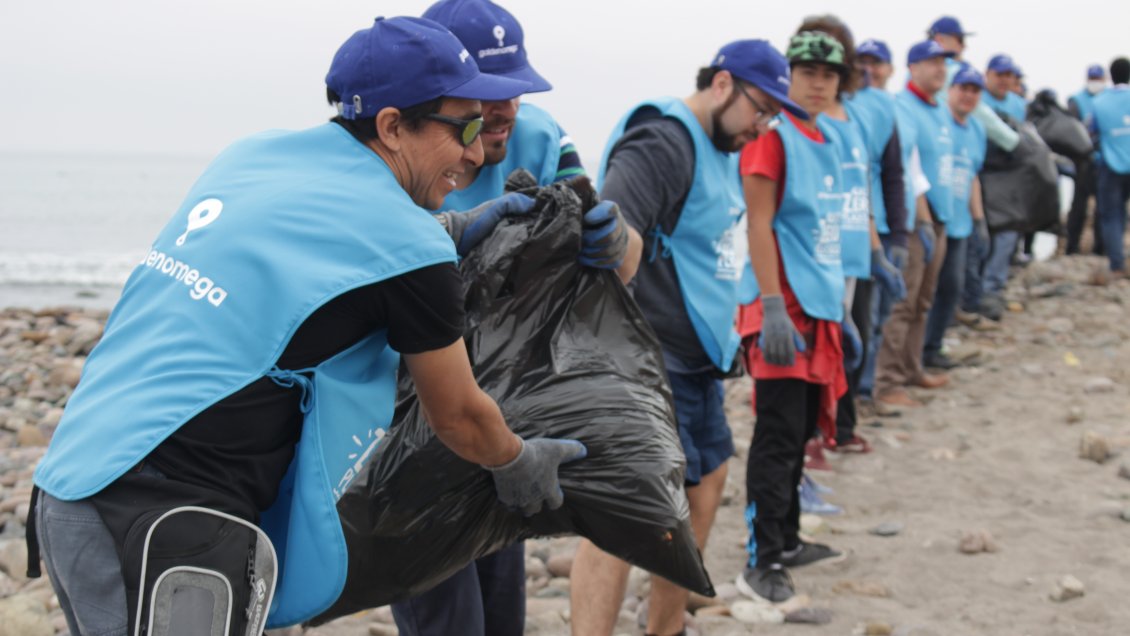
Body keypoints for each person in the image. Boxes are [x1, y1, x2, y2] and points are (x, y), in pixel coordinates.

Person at [28, 17, 588, 635]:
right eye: (467, 128)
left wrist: (451, 229)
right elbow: (456, 415)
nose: (477, 154)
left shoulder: (252, 156)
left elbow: (307, 242)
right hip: (164, 521)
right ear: (392, 125)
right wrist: (517, 460)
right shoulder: (406, 247)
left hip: (73, 480)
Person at [389, 3, 639, 636]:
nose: (504, 112)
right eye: (484, 95)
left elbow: (625, 263)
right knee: (447, 617)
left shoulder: (541, 136)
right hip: (413, 418)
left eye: (515, 91)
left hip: (505, 406)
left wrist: (614, 239)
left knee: (502, 612)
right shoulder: (403, 155)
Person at [569, 39, 805, 636]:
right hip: (647, 359)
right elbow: (613, 230)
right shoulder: (664, 140)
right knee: (624, 515)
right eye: (762, 108)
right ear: (723, 84)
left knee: (704, 489)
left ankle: (665, 628)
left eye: (775, 115)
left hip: (700, 359)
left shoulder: (724, 143)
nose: (765, 125)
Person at [736, 30, 852, 604]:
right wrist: (773, 305)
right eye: (806, 70)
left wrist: (840, 309)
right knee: (777, 436)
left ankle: (787, 539)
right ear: (790, 75)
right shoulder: (773, 138)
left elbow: (824, 232)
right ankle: (759, 560)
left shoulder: (825, 136)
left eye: (828, 73)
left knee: (803, 431)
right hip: (780, 310)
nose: (818, 81)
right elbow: (759, 223)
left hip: (818, 308)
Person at [812, 24, 907, 453]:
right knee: (819, 348)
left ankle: (841, 428)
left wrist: (878, 252)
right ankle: (815, 434)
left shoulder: (854, 121)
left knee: (853, 344)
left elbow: (864, 189)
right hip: (815, 259)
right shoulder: (795, 125)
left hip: (854, 256)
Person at [873, 39, 955, 411]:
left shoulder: (939, 109)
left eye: (944, 62)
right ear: (911, 67)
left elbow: (920, 167)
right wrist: (917, 217)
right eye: (932, 62)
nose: (940, 69)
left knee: (923, 300)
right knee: (902, 301)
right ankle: (886, 381)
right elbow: (900, 169)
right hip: (905, 219)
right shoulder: (899, 107)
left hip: (935, 218)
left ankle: (911, 367)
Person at [923, 65, 988, 370]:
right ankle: (912, 353)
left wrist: (979, 220)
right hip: (934, 219)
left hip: (960, 224)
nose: (968, 96)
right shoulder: (938, 121)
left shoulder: (977, 130)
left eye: (975, 91)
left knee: (951, 286)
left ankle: (933, 346)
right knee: (922, 290)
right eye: (963, 88)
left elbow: (972, 176)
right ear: (950, 89)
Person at [927, 16, 1019, 152]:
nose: (964, 46)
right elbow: (980, 112)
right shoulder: (949, 71)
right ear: (940, 39)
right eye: (960, 40)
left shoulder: (916, 70)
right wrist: (1015, 142)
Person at [1091, 57, 1130, 277]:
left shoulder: (1099, 102)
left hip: (1110, 165)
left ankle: (1117, 263)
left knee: (1111, 214)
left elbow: (1092, 134)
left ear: (1110, 76)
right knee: (1122, 211)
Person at [1065, 64, 1108, 255]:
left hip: (1106, 161)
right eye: (1093, 78)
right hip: (1083, 161)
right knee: (1078, 206)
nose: (1095, 82)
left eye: (1098, 79)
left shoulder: (1109, 100)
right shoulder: (1077, 101)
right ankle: (1071, 246)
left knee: (1103, 206)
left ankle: (1100, 247)